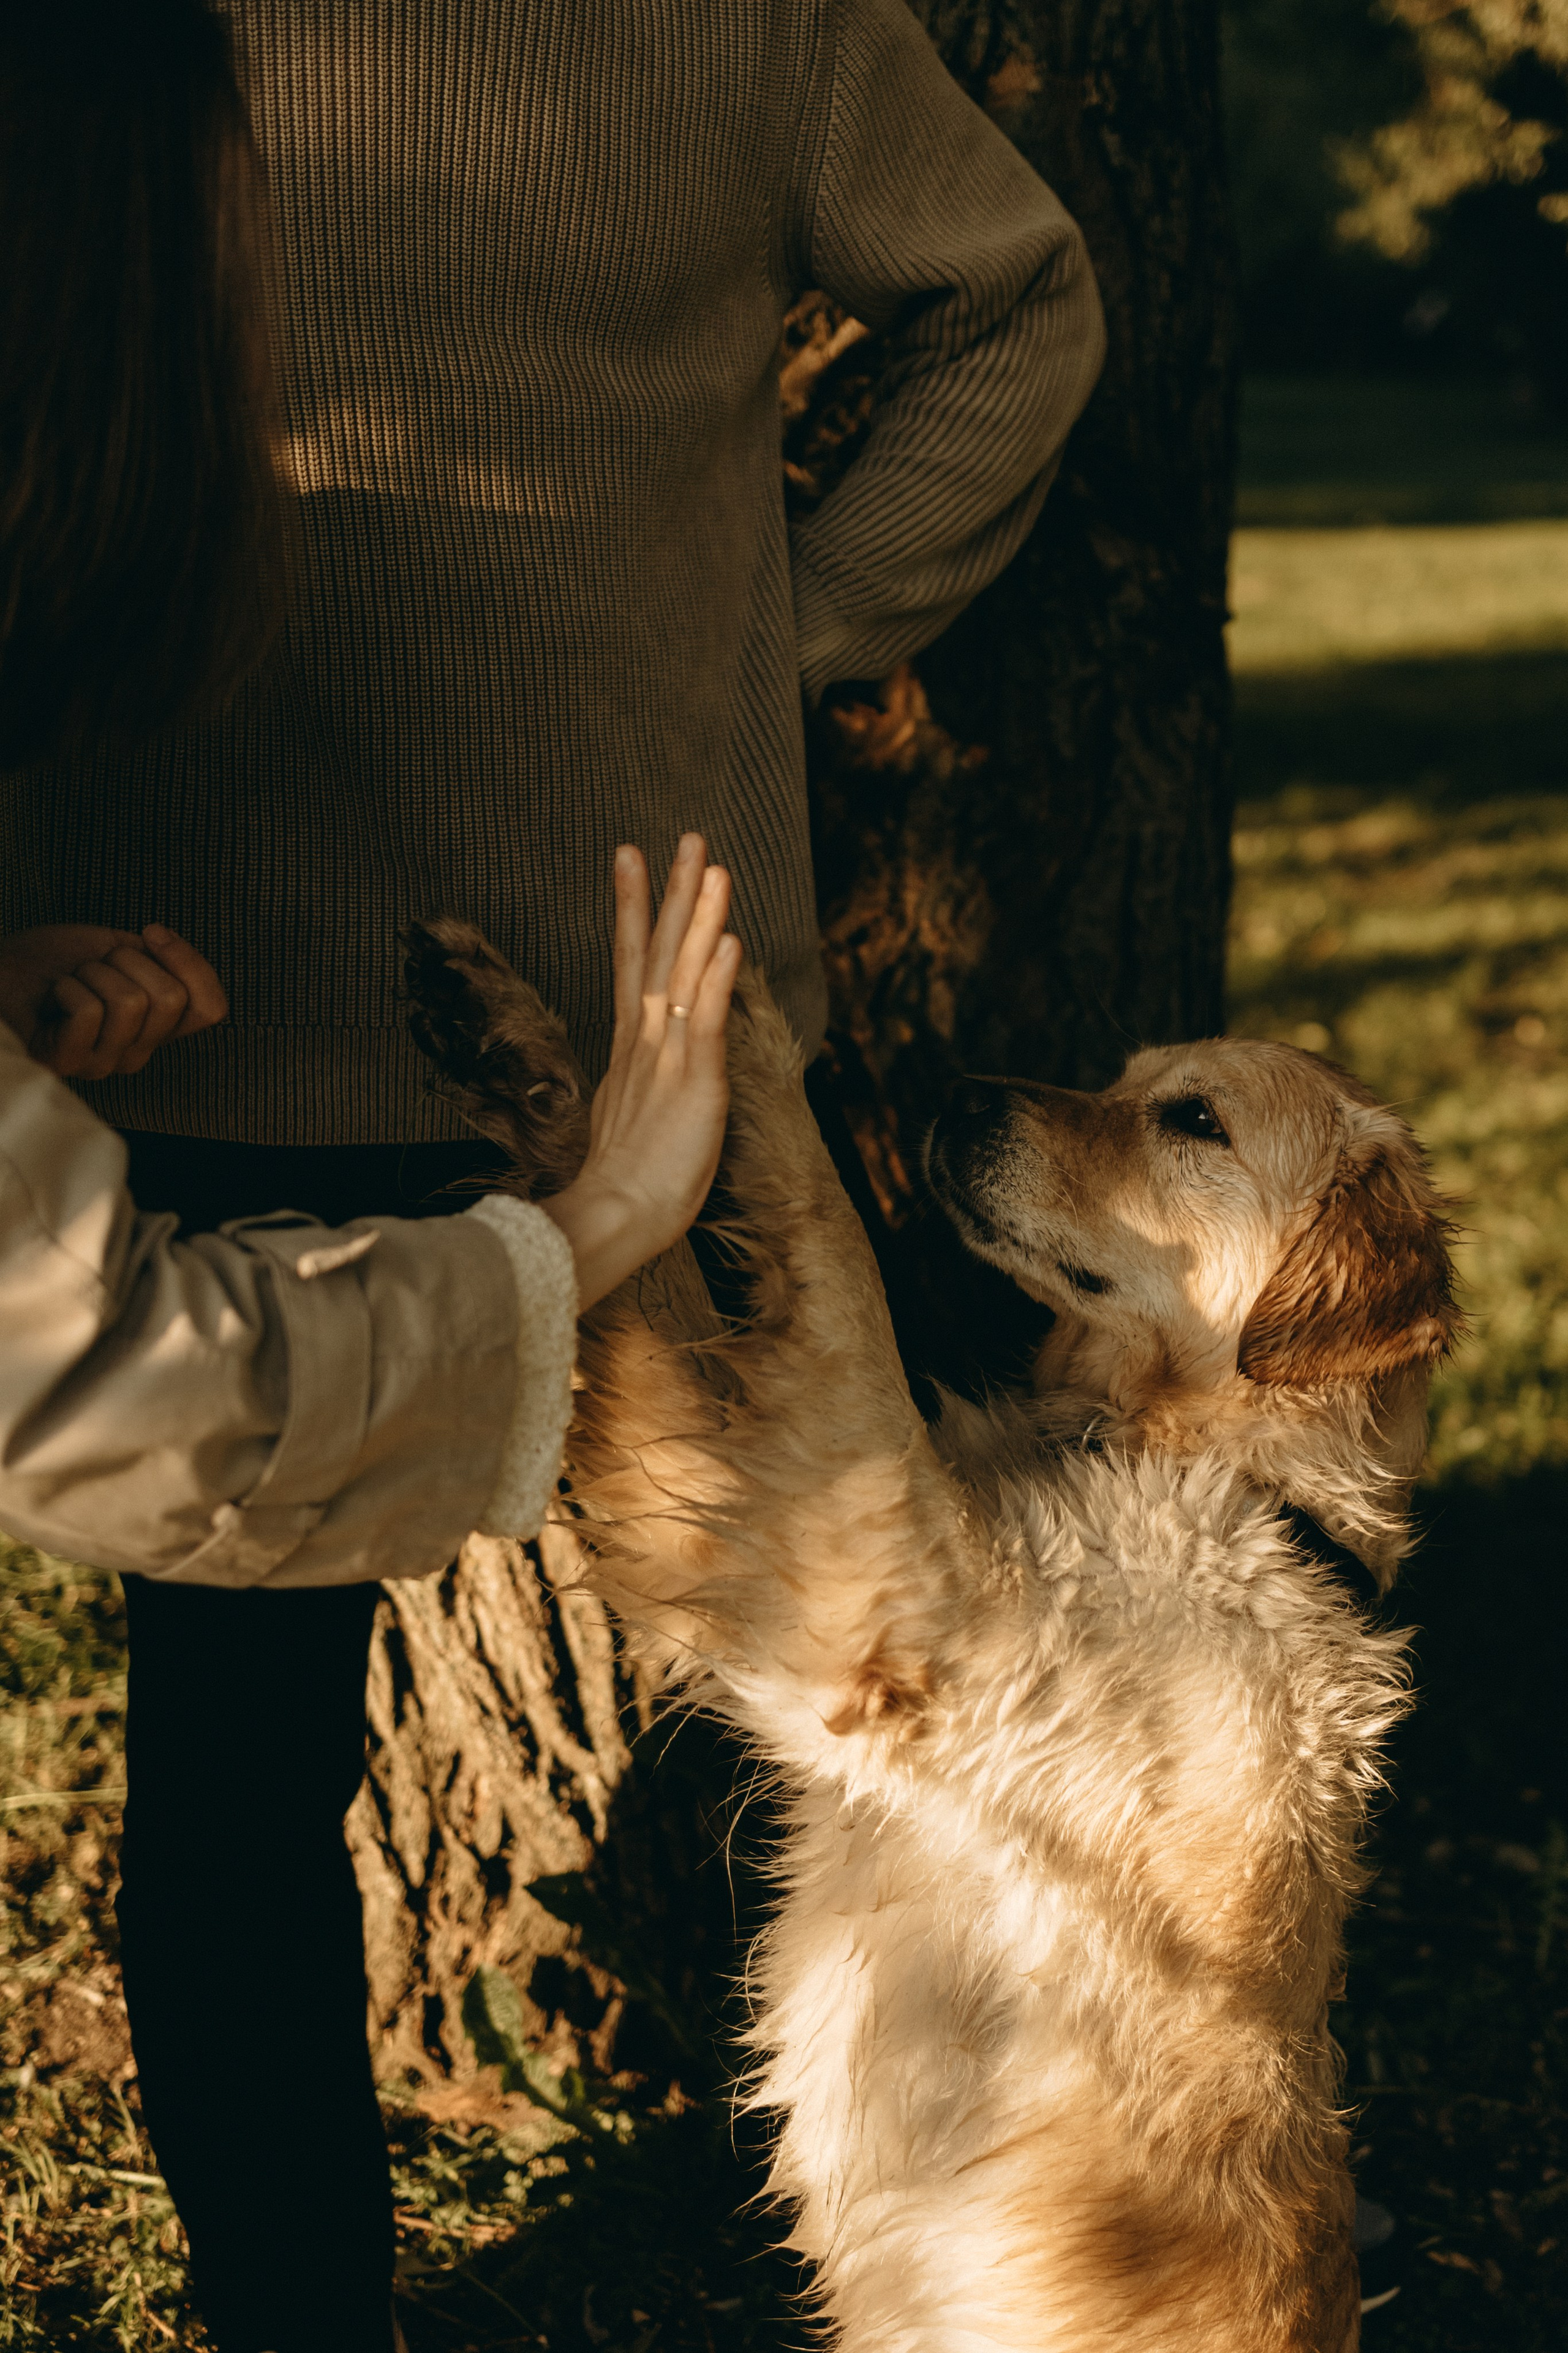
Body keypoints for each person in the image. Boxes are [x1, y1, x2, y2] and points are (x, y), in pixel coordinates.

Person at [2, 2, 1106, 2347]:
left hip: (641, 1005)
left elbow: (1015, 293)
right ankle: (304, 2305)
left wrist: (787, 626)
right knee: (239, 1780)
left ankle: (994, 2226)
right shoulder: (107, 42)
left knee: (859, 1668)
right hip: (185, 987)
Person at [0, 9, 737, 2347]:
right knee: (237, 1782)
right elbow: (112, 1384)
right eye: (245, 275)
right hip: (292, 1116)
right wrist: (595, 1224)